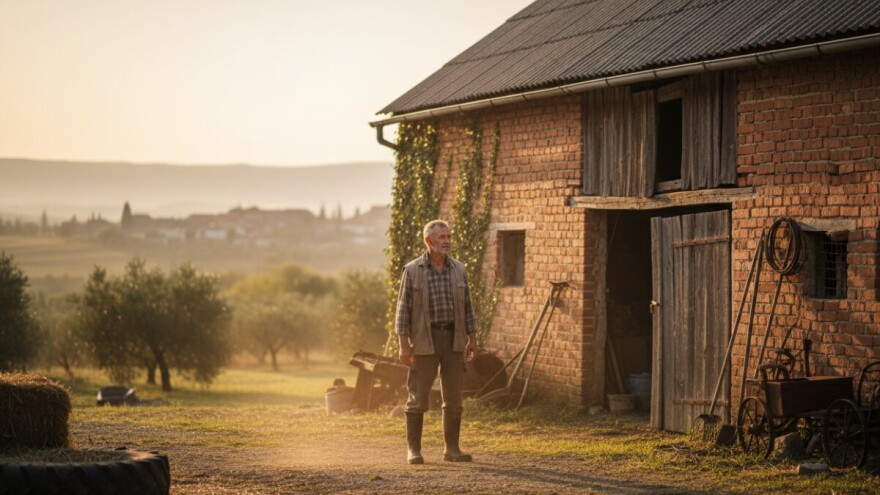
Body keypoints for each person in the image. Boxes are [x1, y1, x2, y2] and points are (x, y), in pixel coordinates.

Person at [395, 219, 478, 464]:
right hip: (423, 341)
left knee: (453, 396)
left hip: (454, 340)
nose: (446, 241)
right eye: (441, 237)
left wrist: (472, 339)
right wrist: (403, 344)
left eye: (448, 237)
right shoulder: (412, 271)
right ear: (428, 241)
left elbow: (468, 307)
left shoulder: (459, 269)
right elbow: (402, 311)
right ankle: (414, 450)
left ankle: (452, 450)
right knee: (418, 396)